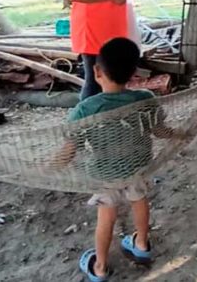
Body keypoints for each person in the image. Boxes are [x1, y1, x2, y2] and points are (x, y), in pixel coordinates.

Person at [56, 37, 164, 282]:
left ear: (96, 71)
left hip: (107, 174)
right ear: (135, 73)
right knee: (140, 201)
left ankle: (101, 267)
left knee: (107, 217)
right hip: (138, 167)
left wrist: (46, 168)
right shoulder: (145, 98)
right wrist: (180, 134)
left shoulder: (86, 109)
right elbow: (159, 131)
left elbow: (71, 148)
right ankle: (142, 244)